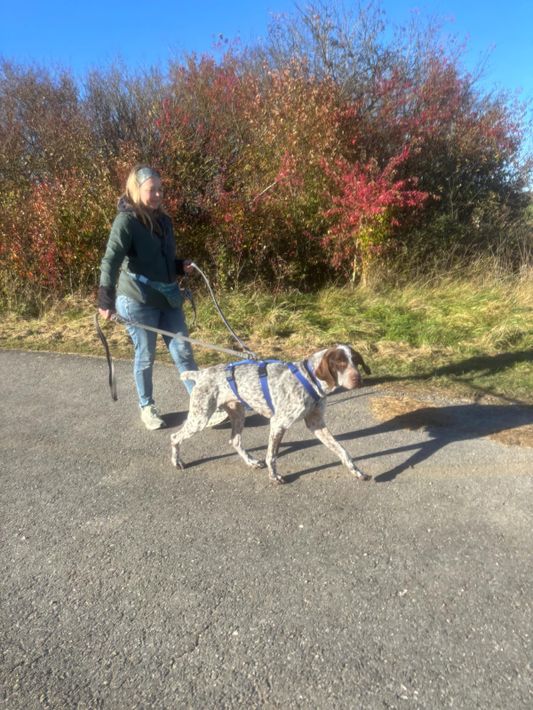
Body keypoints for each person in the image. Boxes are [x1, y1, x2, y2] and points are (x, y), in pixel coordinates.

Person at [98, 164, 226, 430]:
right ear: (136, 189)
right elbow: (111, 260)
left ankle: (201, 406)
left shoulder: (164, 220)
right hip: (137, 300)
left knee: (183, 351)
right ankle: (147, 406)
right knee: (146, 355)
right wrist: (105, 299)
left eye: (160, 189)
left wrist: (179, 266)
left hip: (168, 298)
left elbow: (161, 259)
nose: (157, 194)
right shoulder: (127, 221)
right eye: (151, 189)